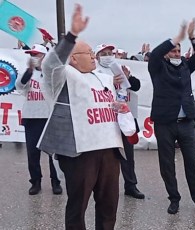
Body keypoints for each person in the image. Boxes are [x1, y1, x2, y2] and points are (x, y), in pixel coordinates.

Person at [38, 4, 124, 229]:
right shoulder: (63, 75)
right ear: (73, 59)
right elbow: (51, 64)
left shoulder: (104, 78)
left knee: (109, 206)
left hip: (109, 150)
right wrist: (72, 35)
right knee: (78, 206)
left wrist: (121, 108)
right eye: (87, 53)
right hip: (79, 152)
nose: (93, 57)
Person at [148, 18, 195, 216]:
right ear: (167, 53)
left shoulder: (186, 66)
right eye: (173, 50)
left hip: (186, 123)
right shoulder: (158, 68)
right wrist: (174, 38)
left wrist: (192, 37)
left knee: (192, 162)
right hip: (164, 123)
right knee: (167, 164)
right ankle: (174, 199)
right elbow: (155, 54)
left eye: (178, 50)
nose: (176, 53)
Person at [94, 43, 145, 199]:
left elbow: (136, 86)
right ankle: (103, 186)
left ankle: (131, 185)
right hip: (105, 120)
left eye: (110, 52)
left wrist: (127, 77)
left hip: (123, 117)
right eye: (104, 53)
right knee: (106, 156)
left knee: (128, 154)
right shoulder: (93, 72)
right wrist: (111, 83)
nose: (108, 55)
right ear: (97, 57)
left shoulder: (120, 69)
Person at [15, 44, 62, 195]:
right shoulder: (27, 73)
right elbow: (20, 86)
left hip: (49, 117)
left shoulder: (52, 74)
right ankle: (35, 181)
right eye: (32, 55)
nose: (33, 58)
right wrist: (29, 71)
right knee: (32, 153)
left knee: (53, 153)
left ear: (45, 57)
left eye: (37, 55)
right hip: (32, 117)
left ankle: (56, 181)